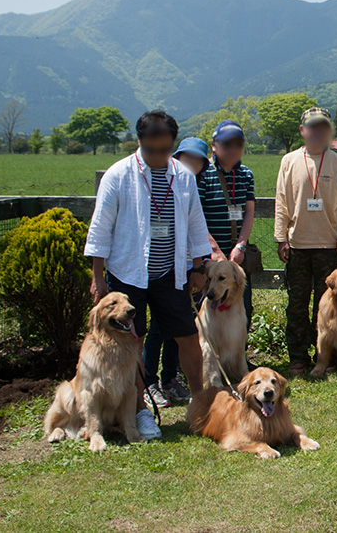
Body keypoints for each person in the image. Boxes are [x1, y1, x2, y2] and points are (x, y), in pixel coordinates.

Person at [84, 110, 210, 441]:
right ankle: (140, 410)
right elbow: (100, 227)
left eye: (164, 149)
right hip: (129, 273)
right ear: (139, 142)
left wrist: (198, 267)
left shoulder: (182, 175)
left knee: (187, 334)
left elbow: (196, 222)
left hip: (172, 273)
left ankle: (201, 402)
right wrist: (98, 277)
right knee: (133, 340)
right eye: (151, 149)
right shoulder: (119, 175)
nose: (157, 156)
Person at [274, 107, 337, 374]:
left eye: (323, 127)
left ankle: (326, 356)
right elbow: (281, 202)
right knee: (297, 304)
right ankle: (298, 356)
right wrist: (280, 237)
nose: (317, 132)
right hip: (297, 245)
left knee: (328, 305)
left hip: (330, 245)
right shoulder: (289, 161)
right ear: (302, 130)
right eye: (312, 126)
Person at [143, 136, 210, 409]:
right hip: (159, 270)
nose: (192, 163)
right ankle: (150, 382)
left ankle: (169, 379)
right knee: (157, 329)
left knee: (180, 330)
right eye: (187, 158)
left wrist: (198, 266)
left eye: (198, 160)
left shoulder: (193, 186)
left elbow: (197, 229)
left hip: (185, 271)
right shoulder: (162, 182)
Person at [197, 120, 256, 329]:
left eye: (238, 144)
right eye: (227, 144)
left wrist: (241, 245)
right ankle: (208, 356)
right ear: (214, 145)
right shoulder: (203, 174)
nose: (233, 149)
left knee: (242, 307)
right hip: (209, 255)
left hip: (236, 255)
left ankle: (239, 355)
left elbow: (249, 211)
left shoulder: (246, 175)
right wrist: (214, 250)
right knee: (207, 304)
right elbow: (197, 217)